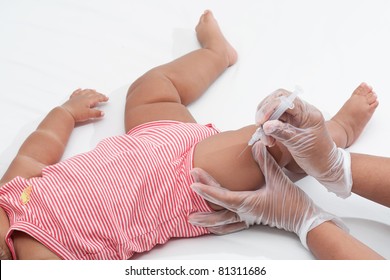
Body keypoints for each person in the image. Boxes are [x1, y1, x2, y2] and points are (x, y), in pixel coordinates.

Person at [0, 10, 378, 260]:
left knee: (149, 87)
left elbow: (35, 155)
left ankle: (217, 53)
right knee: (266, 146)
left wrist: (64, 113)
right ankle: (339, 132)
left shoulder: (8, 193)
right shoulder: (34, 261)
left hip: (148, 138)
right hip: (186, 186)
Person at [188, 91, 388, 260]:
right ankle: (334, 140)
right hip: (161, 144)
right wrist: (334, 165)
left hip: (181, 160)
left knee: (270, 146)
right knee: (274, 144)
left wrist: (302, 218)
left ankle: (339, 130)